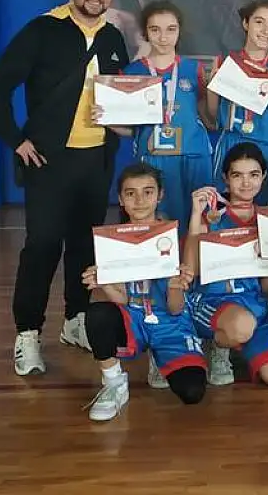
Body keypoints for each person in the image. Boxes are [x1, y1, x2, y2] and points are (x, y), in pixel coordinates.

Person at [0, 0, 131, 376]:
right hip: (49, 160)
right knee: (43, 245)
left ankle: (75, 320)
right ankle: (28, 333)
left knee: (85, 246)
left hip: (96, 160)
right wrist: (15, 139)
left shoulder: (113, 38)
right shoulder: (43, 30)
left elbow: (125, 96)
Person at [79, 163, 207, 421]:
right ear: (120, 199)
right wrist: (105, 284)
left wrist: (174, 286)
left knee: (192, 391)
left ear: (160, 195)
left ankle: (161, 359)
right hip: (134, 318)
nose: (139, 201)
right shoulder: (111, 242)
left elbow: (176, 308)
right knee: (98, 313)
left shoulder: (174, 239)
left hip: (170, 322)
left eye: (147, 192)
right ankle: (114, 383)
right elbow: (122, 299)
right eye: (130, 193)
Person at [184, 144, 268, 391]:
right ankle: (217, 344)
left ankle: (236, 342)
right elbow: (191, 271)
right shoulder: (211, 215)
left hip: (255, 306)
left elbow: (267, 289)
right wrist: (195, 216)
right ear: (225, 178)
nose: (246, 183)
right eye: (237, 175)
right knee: (241, 326)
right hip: (213, 301)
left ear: (264, 176)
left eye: (253, 175)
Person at [101, 0, 215, 233]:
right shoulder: (132, 73)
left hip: (194, 156)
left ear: (179, 31)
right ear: (145, 32)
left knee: (199, 221)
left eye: (171, 29)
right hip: (153, 157)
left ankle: (193, 259)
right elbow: (131, 130)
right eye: (155, 30)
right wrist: (107, 119)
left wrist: (215, 92)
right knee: (159, 223)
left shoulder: (194, 69)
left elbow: (208, 119)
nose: (163, 37)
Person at [206, 0, 268, 207]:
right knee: (223, 212)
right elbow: (213, 118)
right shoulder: (225, 63)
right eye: (259, 22)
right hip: (231, 144)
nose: (266, 30)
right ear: (245, 23)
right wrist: (212, 88)